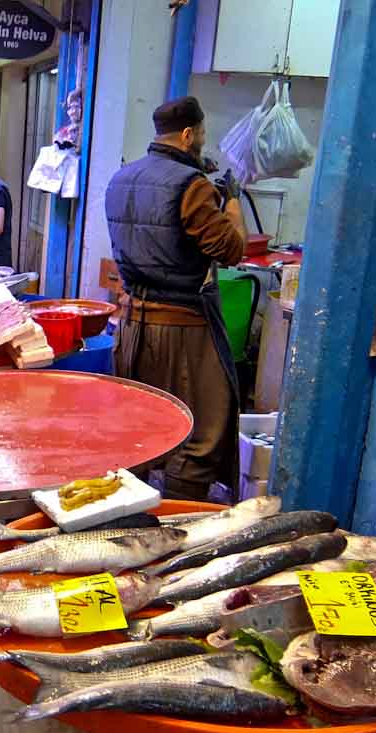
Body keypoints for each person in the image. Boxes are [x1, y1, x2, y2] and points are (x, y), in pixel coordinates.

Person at [107, 96, 247, 500]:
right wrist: (231, 200)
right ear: (188, 135)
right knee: (197, 433)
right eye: (202, 134)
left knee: (139, 428)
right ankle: (179, 532)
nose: (203, 141)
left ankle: (128, 517)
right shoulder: (192, 186)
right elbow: (232, 249)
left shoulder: (121, 179)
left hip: (132, 326)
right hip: (183, 329)